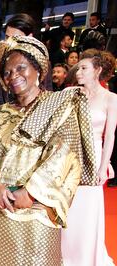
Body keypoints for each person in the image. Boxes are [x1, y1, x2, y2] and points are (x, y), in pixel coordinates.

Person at [0, 35, 97, 266]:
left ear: (38, 69)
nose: (13, 77)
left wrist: (30, 193)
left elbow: (64, 154)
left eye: (21, 68)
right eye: (7, 73)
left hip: (37, 210)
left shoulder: (59, 106)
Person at [61, 49, 117, 266]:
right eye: (78, 68)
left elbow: (110, 135)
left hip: (93, 157)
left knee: (87, 212)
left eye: (84, 68)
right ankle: (65, 257)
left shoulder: (111, 99)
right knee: (68, 210)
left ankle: (86, 259)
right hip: (69, 157)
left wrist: (104, 165)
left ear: (98, 71)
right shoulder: (71, 93)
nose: (78, 72)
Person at [0, 13, 52, 107]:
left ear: (29, 37)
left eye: (16, 38)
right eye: (7, 37)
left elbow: (47, 96)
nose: (9, 42)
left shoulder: (43, 65)